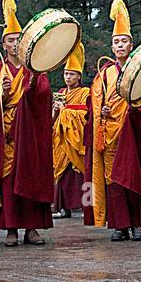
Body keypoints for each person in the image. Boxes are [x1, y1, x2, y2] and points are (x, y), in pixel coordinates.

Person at [0, 0, 53, 247]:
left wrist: (31, 88)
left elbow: (45, 97)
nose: (15, 43)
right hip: (7, 136)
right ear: (4, 44)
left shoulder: (35, 69)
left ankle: (32, 228)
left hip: (28, 136)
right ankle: (10, 229)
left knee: (30, 176)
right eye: (10, 40)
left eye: (18, 39)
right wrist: (2, 94)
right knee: (8, 181)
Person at [85, 0, 141, 241]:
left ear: (131, 44)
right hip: (110, 134)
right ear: (112, 46)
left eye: (124, 41)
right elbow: (96, 102)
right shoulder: (105, 73)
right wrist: (102, 111)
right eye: (116, 42)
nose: (120, 45)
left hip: (133, 132)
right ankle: (120, 225)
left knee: (132, 177)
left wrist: (134, 110)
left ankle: (138, 225)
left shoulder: (140, 68)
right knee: (114, 181)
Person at [52, 40, 88, 219]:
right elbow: (52, 120)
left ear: (79, 77)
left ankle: (85, 207)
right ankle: (63, 208)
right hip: (61, 140)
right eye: (66, 74)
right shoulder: (60, 93)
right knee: (62, 173)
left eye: (72, 74)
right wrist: (56, 111)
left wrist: (67, 112)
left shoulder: (85, 93)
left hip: (76, 139)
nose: (68, 78)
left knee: (80, 172)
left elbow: (85, 115)